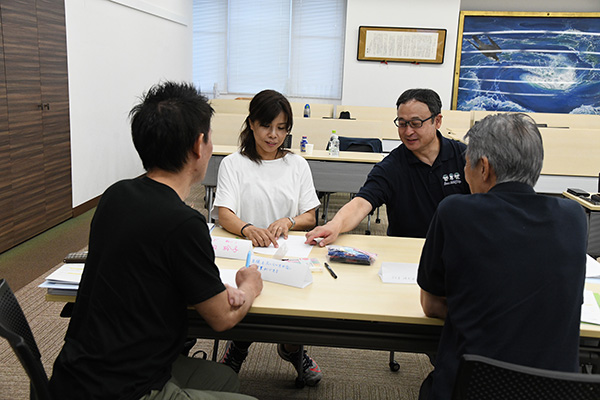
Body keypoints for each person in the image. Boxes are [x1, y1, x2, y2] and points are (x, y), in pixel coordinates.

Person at [49, 82, 263, 400]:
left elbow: (147, 268)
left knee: (223, 380)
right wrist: (249, 286)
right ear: (198, 145)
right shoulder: (185, 223)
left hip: (76, 374)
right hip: (127, 389)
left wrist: (209, 287)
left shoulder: (116, 194)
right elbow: (222, 318)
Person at [417, 113, 587, 399]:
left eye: (466, 162)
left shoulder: (456, 211)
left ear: (484, 167)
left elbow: (432, 305)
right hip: (555, 390)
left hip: (471, 388)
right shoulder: (573, 217)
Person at [212, 89, 323, 386]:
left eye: (282, 128)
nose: (274, 135)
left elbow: (310, 217)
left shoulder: (296, 164)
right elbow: (224, 214)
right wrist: (248, 228)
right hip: (244, 251)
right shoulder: (234, 163)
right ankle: (239, 346)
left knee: (296, 299)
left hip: (285, 251)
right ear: (251, 124)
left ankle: (292, 348)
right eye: (266, 126)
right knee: (247, 295)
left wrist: (289, 221)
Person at [305, 88, 470, 245]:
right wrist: (335, 225)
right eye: (402, 123)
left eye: (415, 123)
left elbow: (485, 200)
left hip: (456, 248)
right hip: (405, 250)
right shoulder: (392, 166)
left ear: (438, 121)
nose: (407, 131)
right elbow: (361, 203)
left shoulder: (464, 157)